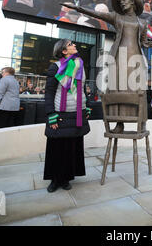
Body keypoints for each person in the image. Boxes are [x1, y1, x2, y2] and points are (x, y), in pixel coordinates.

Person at [63, 0, 152, 132]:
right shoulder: (116, 17)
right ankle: (119, 123)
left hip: (135, 59)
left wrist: (146, 43)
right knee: (117, 88)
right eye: (120, 0)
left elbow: (143, 41)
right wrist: (78, 8)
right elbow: (97, 14)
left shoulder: (142, 23)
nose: (122, 3)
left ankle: (141, 121)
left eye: (124, 0)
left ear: (132, 2)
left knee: (138, 89)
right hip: (118, 57)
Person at [44, 39, 90, 193]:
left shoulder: (81, 67)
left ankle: (66, 178)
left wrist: (86, 106)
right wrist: (51, 115)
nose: (75, 45)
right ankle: (54, 179)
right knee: (56, 148)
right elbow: (49, 92)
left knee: (72, 147)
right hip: (60, 113)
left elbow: (81, 89)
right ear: (63, 51)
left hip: (77, 112)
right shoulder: (55, 67)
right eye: (71, 45)